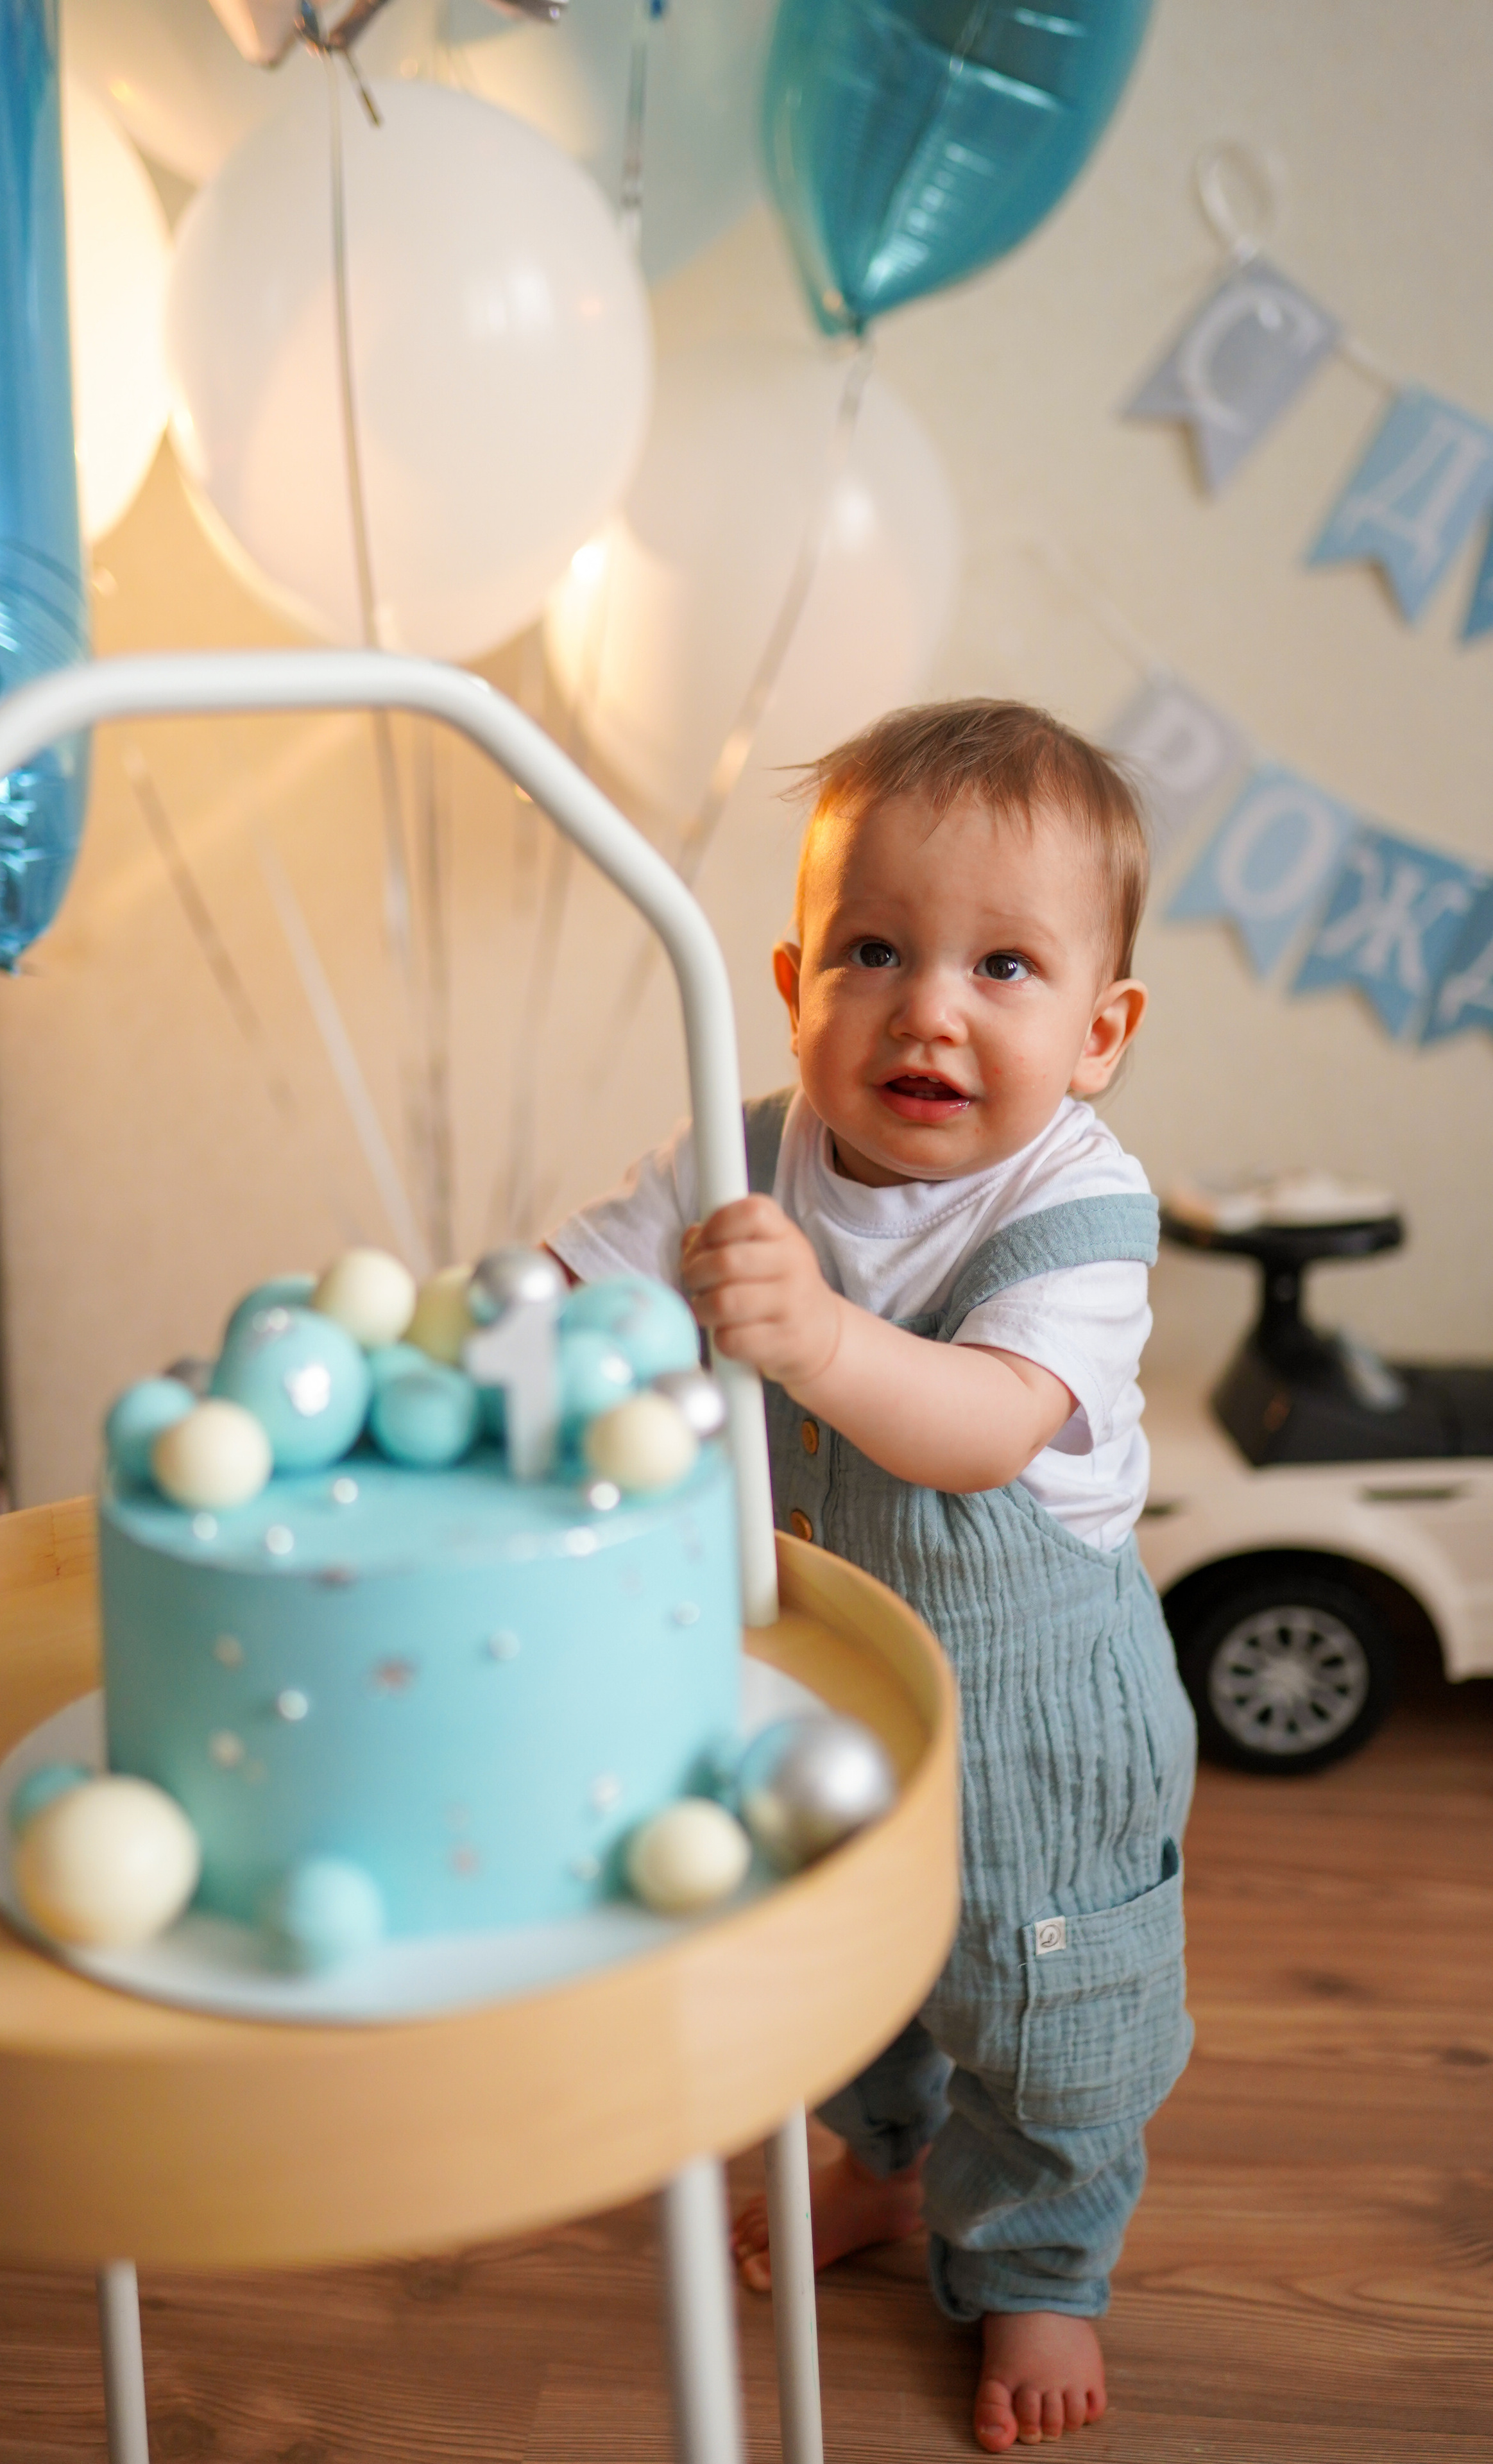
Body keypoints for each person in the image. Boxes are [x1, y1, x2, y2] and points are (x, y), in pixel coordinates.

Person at [546, 699, 1196, 2454]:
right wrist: (490, 1340)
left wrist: (816, 1338)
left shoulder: (1082, 1208)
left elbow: (984, 1426)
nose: (930, 1007)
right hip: (829, 1691)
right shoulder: (743, 1151)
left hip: (1038, 1741)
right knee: (853, 1970)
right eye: (876, 951)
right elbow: (582, 1281)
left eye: (1004, 966)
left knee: (1043, 2007)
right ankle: (887, 2168)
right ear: (789, 981)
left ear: (1099, 1030)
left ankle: (1043, 2260)